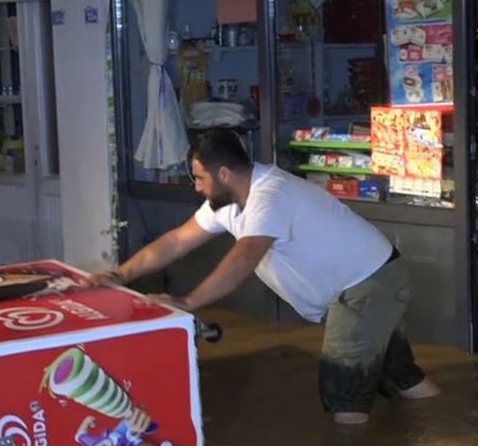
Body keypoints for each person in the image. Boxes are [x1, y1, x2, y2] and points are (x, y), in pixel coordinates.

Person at [90, 128, 440, 424]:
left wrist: (188, 301)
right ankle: (442, 429)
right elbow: (176, 241)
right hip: (376, 278)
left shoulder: (269, 195)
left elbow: (245, 257)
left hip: (367, 285)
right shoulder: (225, 203)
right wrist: (121, 274)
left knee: (343, 395)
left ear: (224, 174)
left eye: (199, 178)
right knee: (401, 379)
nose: (196, 187)